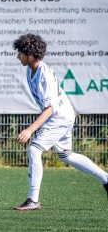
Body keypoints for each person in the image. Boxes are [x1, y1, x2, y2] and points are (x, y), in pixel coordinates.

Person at [13, 33, 108, 211]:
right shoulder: (30, 69)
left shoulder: (44, 74)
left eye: (20, 53)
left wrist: (29, 130)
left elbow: (49, 108)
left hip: (57, 117)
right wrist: (68, 109)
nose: (18, 56)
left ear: (31, 55)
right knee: (67, 155)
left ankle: (33, 200)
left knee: (34, 149)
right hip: (62, 115)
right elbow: (57, 93)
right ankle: (106, 179)